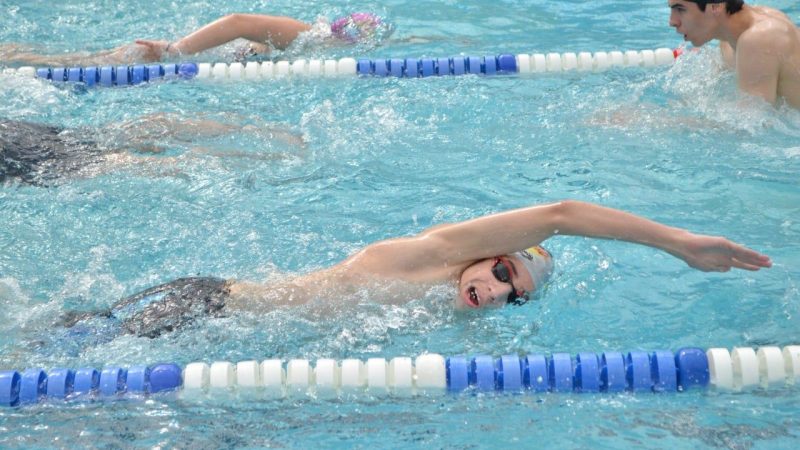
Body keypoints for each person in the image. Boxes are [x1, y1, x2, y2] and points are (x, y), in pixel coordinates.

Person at [62, 200, 772, 338]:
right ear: (486, 251)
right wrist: (678, 243)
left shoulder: (447, 312)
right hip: (197, 309)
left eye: (512, 297)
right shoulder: (435, 254)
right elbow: (564, 214)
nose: (494, 293)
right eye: (502, 270)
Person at [0, 114, 304, 186]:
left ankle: (266, 160)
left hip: (17, 156)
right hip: (13, 130)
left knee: (121, 162)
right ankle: (256, 132)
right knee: (124, 133)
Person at [0, 12, 388, 67]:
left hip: (205, 60)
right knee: (83, 63)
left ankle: (18, 56)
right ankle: (14, 56)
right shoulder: (308, 36)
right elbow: (238, 20)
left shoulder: (314, 48)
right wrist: (175, 50)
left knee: (83, 61)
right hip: (163, 54)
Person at [668, 0, 800, 108]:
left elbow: (753, 128)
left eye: (680, 9)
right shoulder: (728, 38)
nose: (672, 21)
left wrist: (668, 122)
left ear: (716, 6)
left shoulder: (760, 37)